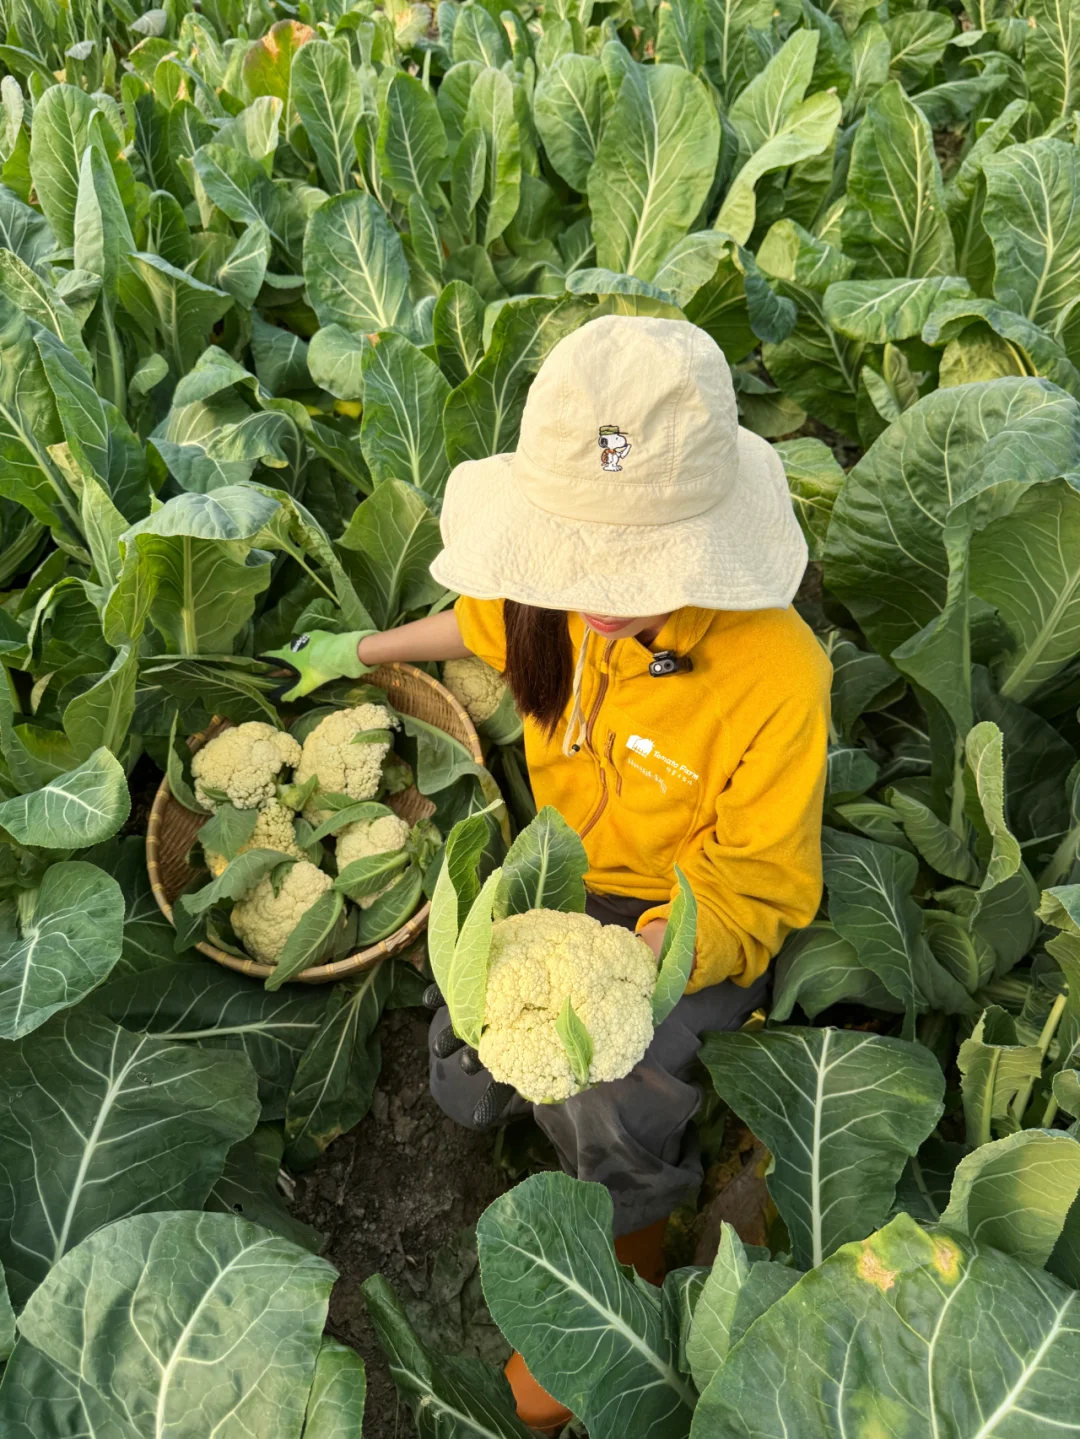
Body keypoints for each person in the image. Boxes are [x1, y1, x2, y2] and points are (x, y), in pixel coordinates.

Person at [283, 315, 830, 1430]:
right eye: (582, 561)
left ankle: (618, 1272)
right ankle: (529, 1114)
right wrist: (361, 651)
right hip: (564, 871)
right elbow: (475, 624)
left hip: (692, 917)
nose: (598, 592)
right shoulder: (549, 591)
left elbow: (761, 882)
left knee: (616, 1096)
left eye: (632, 570)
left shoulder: (778, 673)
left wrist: (636, 963)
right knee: (467, 1038)